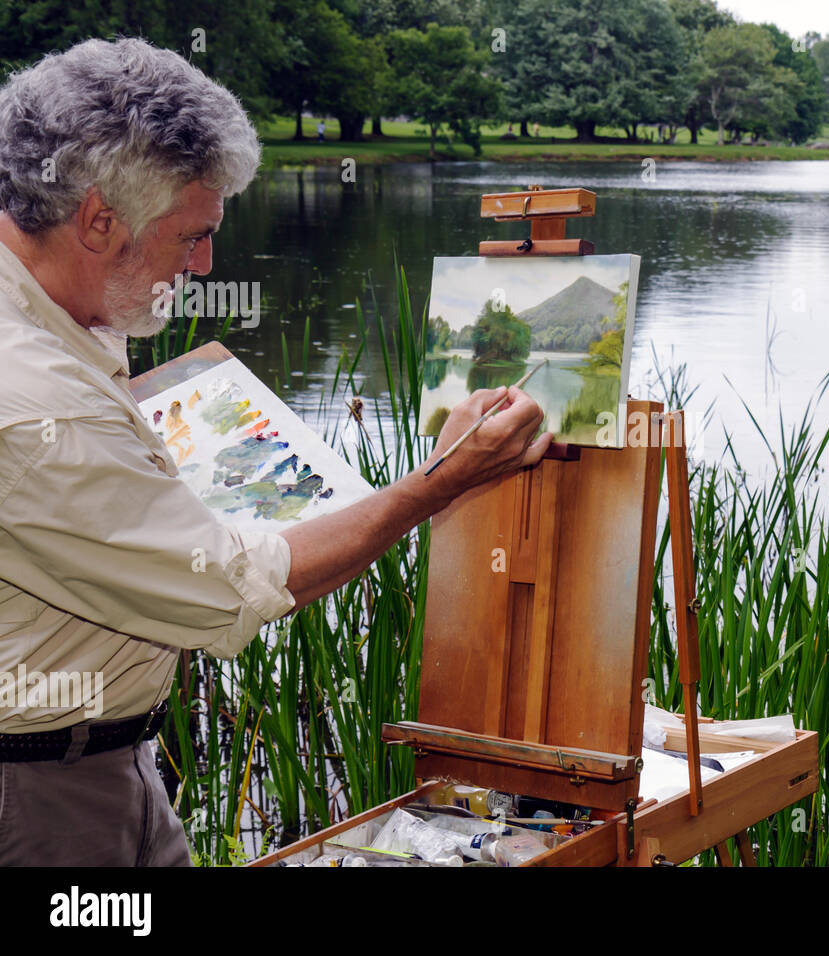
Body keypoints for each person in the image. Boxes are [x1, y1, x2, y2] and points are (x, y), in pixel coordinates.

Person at [0, 38, 552, 866]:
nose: (206, 263)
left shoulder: (55, 309)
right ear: (97, 220)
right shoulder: (34, 395)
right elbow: (227, 588)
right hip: (43, 799)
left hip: (103, 762)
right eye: (192, 235)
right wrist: (440, 482)